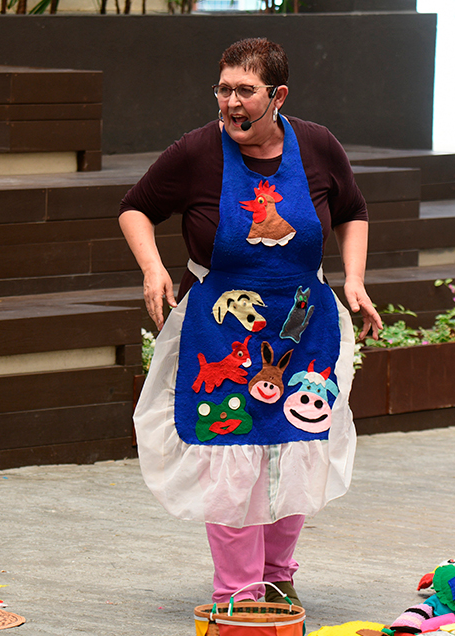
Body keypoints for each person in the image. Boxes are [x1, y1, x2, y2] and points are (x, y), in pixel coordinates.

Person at [119, 37, 382, 607]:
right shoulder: (197, 151)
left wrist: (355, 280)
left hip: (303, 325)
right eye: (223, 90)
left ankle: (278, 575)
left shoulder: (318, 145)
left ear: (278, 95)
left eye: (245, 90)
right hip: (221, 329)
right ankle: (239, 590)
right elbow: (135, 206)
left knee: (298, 438)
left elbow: (353, 210)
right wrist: (153, 268)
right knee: (228, 443)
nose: (231, 103)